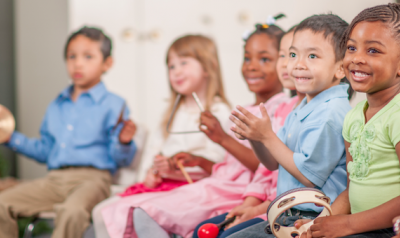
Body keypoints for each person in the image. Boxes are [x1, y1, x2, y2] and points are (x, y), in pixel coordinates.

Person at [99, 17, 290, 238]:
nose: (252, 66)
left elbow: (267, 167)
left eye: (265, 59)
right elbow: (229, 168)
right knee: (131, 211)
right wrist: (199, 161)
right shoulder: (243, 109)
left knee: (143, 212)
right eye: (247, 58)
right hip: (218, 185)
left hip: (231, 192)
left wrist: (221, 139)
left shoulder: (280, 110)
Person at [0, 26, 137, 238]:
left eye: (88, 56)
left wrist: (124, 142)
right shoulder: (57, 105)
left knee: (72, 211)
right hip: (55, 179)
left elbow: (121, 160)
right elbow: (45, 151)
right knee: (2, 203)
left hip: (93, 180)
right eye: (71, 56)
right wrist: (10, 138)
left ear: (107, 63)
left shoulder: (114, 105)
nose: (78, 63)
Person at [92, 34, 232, 238]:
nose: (176, 71)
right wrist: (153, 172)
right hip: (162, 185)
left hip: (195, 189)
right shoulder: (171, 113)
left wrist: (183, 164)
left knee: (131, 213)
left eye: (183, 62)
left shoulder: (219, 111)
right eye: (171, 66)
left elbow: (221, 162)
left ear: (208, 67)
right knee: (101, 212)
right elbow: (154, 151)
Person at [228, 13, 352, 238]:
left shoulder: (331, 112)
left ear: (340, 69)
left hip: (313, 217)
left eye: (312, 56)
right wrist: (255, 137)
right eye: (293, 54)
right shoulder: (305, 105)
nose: (298, 64)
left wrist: (267, 137)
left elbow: (308, 176)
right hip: (287, 213)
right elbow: (273, 162)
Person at [193, 24, 307, 238]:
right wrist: (249, 205)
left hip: (286, 209)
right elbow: (267, 170)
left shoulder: (302, 112)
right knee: (201, 232)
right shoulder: (284, 110)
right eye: (283, 56)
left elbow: (300, 180)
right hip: (262, 202)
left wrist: (256, 209)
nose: (287, 64)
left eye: (292, 55)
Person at [296, 4, 400, 238]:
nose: (357, 58)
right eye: (351, 48)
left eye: (373, 51)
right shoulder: (353, 117)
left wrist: (349, 225)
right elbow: (353, 186)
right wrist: (324, 221)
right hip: (358, 226)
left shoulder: (397, 115)